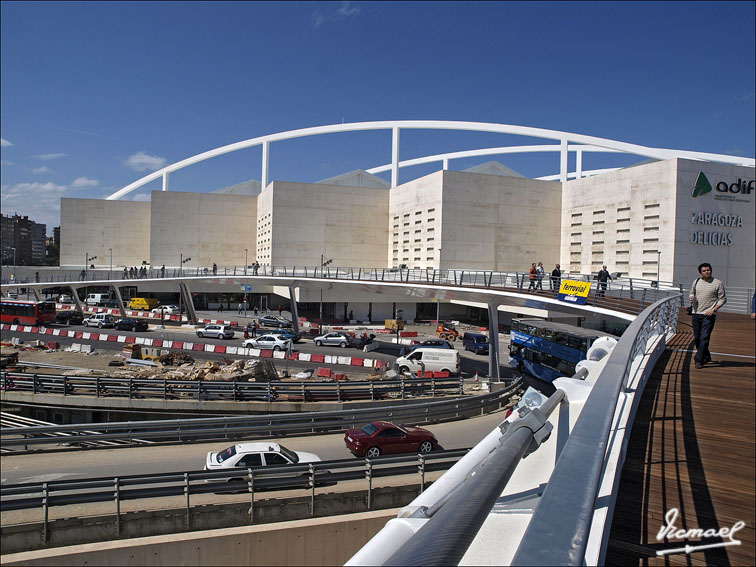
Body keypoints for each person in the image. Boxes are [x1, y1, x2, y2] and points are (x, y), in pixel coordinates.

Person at [689, 262, 726, 369]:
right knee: (697, 338)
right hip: (696, 313)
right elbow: (692, 292)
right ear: (700, 272)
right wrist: (691, 296)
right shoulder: (696, 281)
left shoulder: (717, 283)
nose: (707, 272)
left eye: (708, 270)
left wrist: (713, 309)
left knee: (704, 337)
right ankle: (706, 355)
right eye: (704, 271)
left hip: (708, 314)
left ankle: (698, 360)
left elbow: (723, 299)